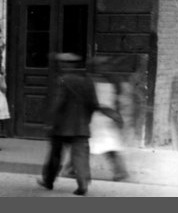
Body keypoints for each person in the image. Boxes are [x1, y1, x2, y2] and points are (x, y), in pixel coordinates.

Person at [36, 53, 120, 196]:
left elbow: (58, 102)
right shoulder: (87, 82)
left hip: (61, 127)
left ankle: (48, 180)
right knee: (80, 156)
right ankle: (83, 184)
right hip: (81, 127)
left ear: (65, 65)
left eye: (61, 64)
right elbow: (94, 104)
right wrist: (108, 113)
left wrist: (50, 122)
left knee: (55, 156)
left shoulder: (62, 80)